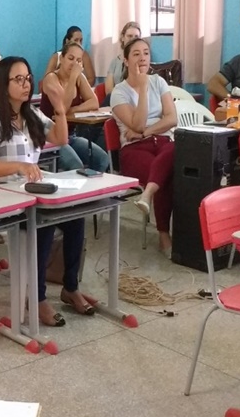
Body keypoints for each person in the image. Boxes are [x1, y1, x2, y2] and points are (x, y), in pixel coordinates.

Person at [0, 57, 98, 327]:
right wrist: (20, 165)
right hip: (4, 198)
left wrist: (59, 108)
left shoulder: (31, 114)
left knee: (75, 219)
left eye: (28, 78)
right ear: (3, 84)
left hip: (32, 192)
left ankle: (70, 287)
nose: (25, 84)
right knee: (43, 224)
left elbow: (61, 139)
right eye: (18, 79)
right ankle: (38, 297)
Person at [110, 38, 176, 255]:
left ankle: (147, 194)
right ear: (126, 60)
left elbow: (172, 118)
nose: (142, 58)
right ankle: (164, 235)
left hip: (161, 141)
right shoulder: (119, 92)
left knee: (176, 151)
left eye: (146, 53)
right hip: (134, 150)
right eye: (136, 54)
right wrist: (143, 87)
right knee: (163, 175)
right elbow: (136, 123)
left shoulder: (160, 82)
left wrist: (146, 131)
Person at [40, 42, 110, 173]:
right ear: (62, 59)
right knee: (76, 165)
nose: (74, 64)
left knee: (102, 159)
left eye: (79, 60)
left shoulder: (79, 77)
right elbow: (62, 109)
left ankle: (91, 191)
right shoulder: (51, 78)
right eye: (71, 59)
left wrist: (75, 109)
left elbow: (94, 102)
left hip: (70, 135)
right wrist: (72, 79)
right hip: (51, 136)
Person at [104, 21, 142, 96]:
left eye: (136, 37)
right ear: (122, 38)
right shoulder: (115, 62)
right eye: (129, 36)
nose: (133, 39)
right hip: (115, 98)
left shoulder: (142, 61)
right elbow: (108, 90)